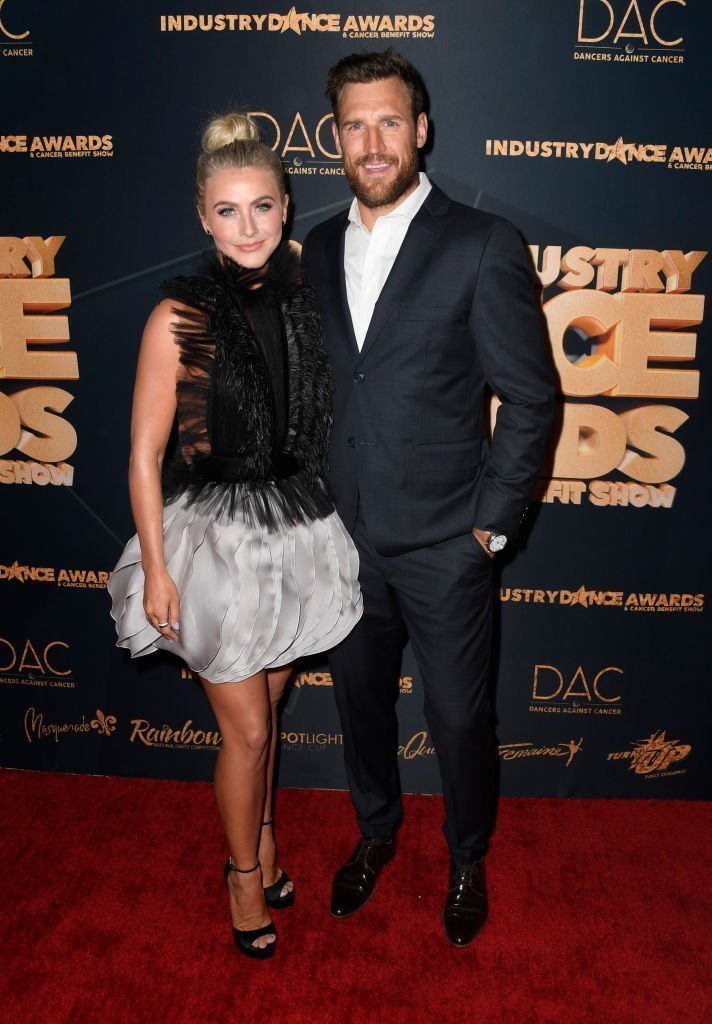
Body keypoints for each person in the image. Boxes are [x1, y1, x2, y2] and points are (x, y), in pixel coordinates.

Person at [301, 50, 555, 947]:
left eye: (389, 122)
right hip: (347, 545)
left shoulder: (483, 244)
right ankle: (375, 835)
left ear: (422, 129)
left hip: (448, 544)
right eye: (354, 125)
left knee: (458, 719)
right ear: (336, 137)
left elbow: (530, 398)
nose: (372, 143)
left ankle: (467, 856)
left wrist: (489, 530)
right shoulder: (322, 244)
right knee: (360, 709)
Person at [108, 113, 363, 959]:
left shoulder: (313, 300)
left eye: (261, 207)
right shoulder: (175, 318)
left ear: (286, 208)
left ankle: (264, 838)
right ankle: (243, 875)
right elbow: (144, 457)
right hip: (212, 542)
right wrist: (154, 568)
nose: (247, 226)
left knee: (275, 705)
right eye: (228, 210)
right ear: (202, 218)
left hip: (297, 527)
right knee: (247, 730)